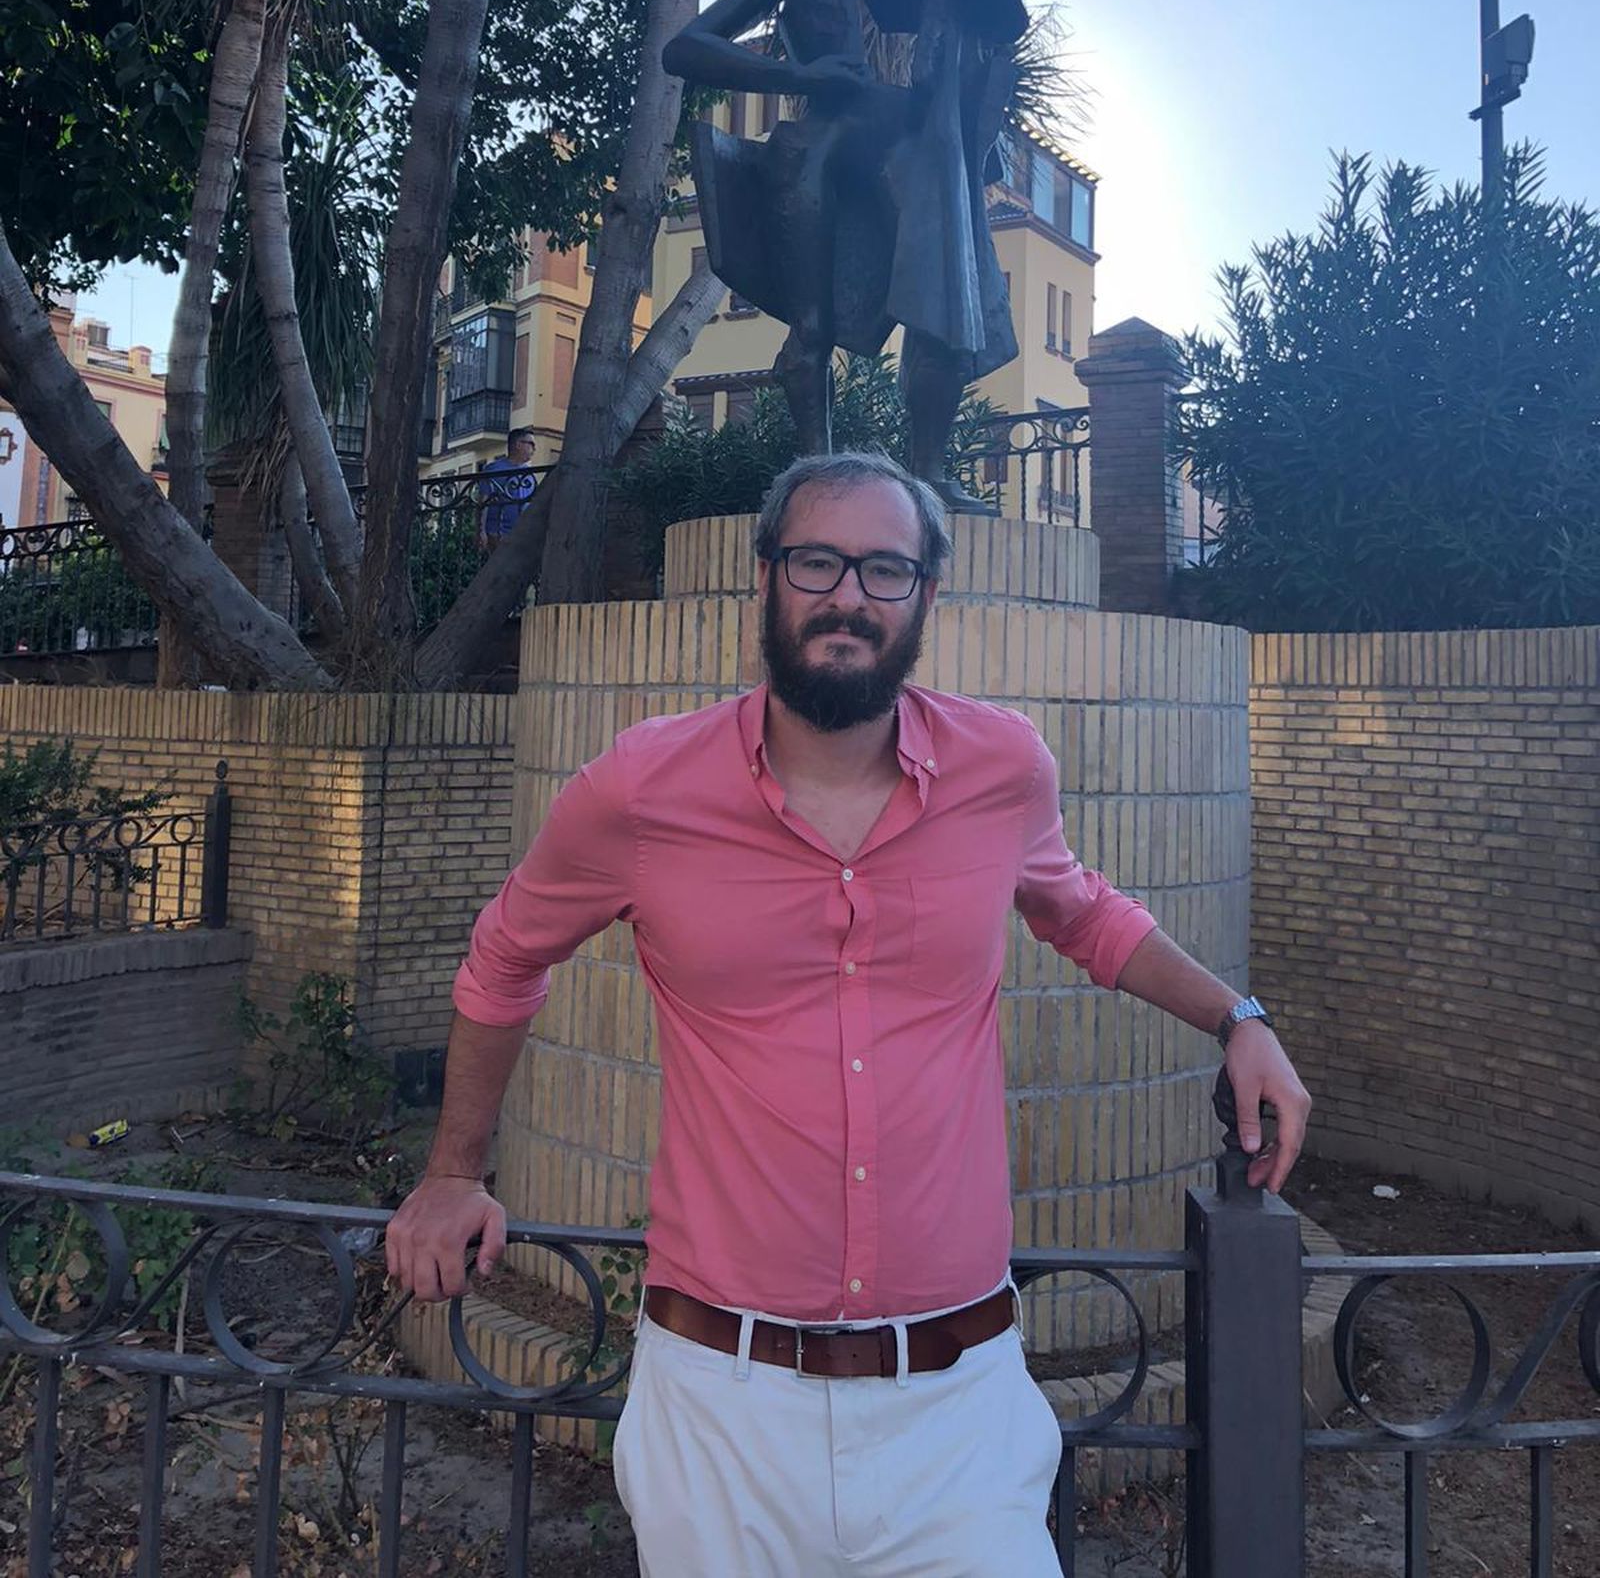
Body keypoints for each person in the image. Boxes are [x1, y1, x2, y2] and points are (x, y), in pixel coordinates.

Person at [386, 450, 1312, 1578]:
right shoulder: (641, 788)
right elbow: (504, 958)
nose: (848, 598)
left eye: (885, 570)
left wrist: (1238, 1019)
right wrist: (451, 1169)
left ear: (926, 596)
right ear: (766, 578)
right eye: (818, 561)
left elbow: (1083, 913)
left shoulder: (1002, 766)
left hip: (956, 1405)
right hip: (719, 1403)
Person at [662, 0, 1028, 515]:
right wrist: (796, 77)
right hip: (823, 144)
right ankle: (814, 476)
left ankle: (929, 475)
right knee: (811, 328)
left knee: (945, 313)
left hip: (920, 150)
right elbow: (688, 46)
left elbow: (994, 43)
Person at [477, 428, 537, 550]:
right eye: (531, 444)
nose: (534, 449)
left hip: (523, 535)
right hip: (498, 534)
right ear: (518, 445)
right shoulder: (494, 469)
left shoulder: (529, 474)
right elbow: (483, 501)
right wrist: (480, 531)